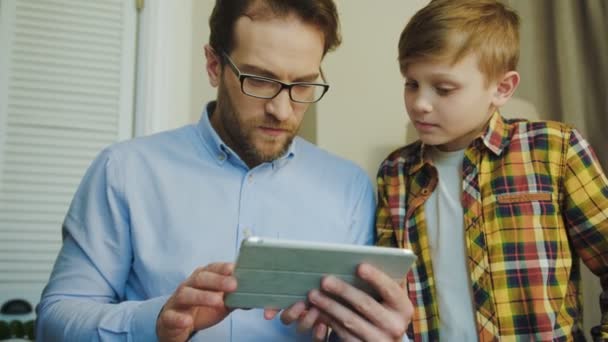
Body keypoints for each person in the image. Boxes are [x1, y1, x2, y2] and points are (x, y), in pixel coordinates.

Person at [36, 0, 413, 341]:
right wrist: (158, 321)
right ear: (214, 65)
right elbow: (55, 320)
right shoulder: (123, 170)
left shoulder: (350, 188)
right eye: (259, 80)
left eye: (302, 85)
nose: (282, 111)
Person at [375, 0, 608, 340]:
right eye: (412, 83)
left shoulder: (554, 150)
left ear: (502, 88)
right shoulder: (395, 173)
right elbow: (383, 287)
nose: (420, 104)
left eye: (443, 88)